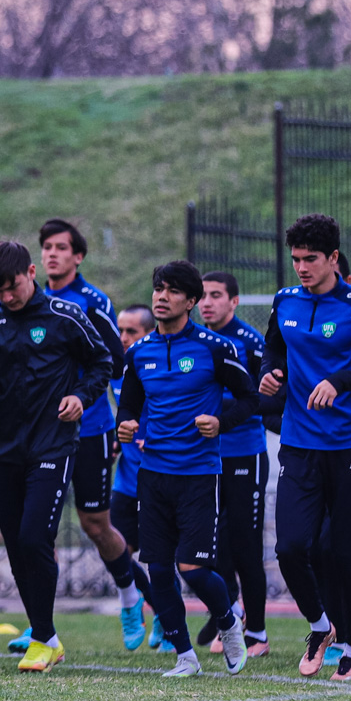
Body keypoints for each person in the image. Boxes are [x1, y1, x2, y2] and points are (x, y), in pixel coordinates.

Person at [257, 214, 351, 682]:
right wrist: (271, 372)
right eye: (296, 259)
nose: (301, 267)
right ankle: (321, 626)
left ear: (333, 259)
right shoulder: (285, 301)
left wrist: (340, 382)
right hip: (299, 443)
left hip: (350, 446)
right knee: (290, 547)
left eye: (310, 259)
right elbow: (274, 348)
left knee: (347, 552)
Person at [0, 240, 114, 672]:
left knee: (33, 538)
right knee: (16, 546)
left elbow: (103, 362)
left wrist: (81, 397)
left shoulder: (66, 317)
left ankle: (43, 638)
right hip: (4, 449)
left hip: (53, 444)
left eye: (12, 287)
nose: (7, 297)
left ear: (30, 272)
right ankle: (44, 635)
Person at [115, 261, 257, 677]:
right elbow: (129, 403)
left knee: (192, 568)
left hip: (198, 472)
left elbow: (250, 400)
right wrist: (126, 423)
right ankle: (185, 657)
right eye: (158, 288)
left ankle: (229, 619)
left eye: (173, 290)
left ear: (191, 302)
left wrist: (221, 422)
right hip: (153, 473)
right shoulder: (139, 353)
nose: (162, 296)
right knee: (158, 568)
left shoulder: (215, 348)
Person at [24, 218, 143, 651]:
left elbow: (115, 360)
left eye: (60, 247)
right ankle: (40, 624)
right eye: (46, 247)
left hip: (90, 429)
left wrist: (82, 394)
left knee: (96, 524)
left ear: (78, 256)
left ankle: (130, 594)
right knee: (40, 528)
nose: (52, 254)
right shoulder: (29, 300)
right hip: (41, 433)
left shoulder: (93, 302)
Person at [194, 271, 272, 658]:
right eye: (203, 296)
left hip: (244, 455)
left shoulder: (249, 342)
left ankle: (257, 632)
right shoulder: (194, 342)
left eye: (216, 295)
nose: (207, 302)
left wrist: (217, 412)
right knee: (212, 546)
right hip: (205, 458)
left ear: (234, 301)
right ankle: (232, 613)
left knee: (245, 546)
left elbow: (260, 398)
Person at [109, 304, 161, 650]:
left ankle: (166, 619)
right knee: (115, 550)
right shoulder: (117, 369)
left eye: (132, 332)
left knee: (159, 557)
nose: (124, 338)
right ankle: (136, 604)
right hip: (126, 480)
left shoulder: (159, 365)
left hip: (160, 476)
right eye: (121, 331)